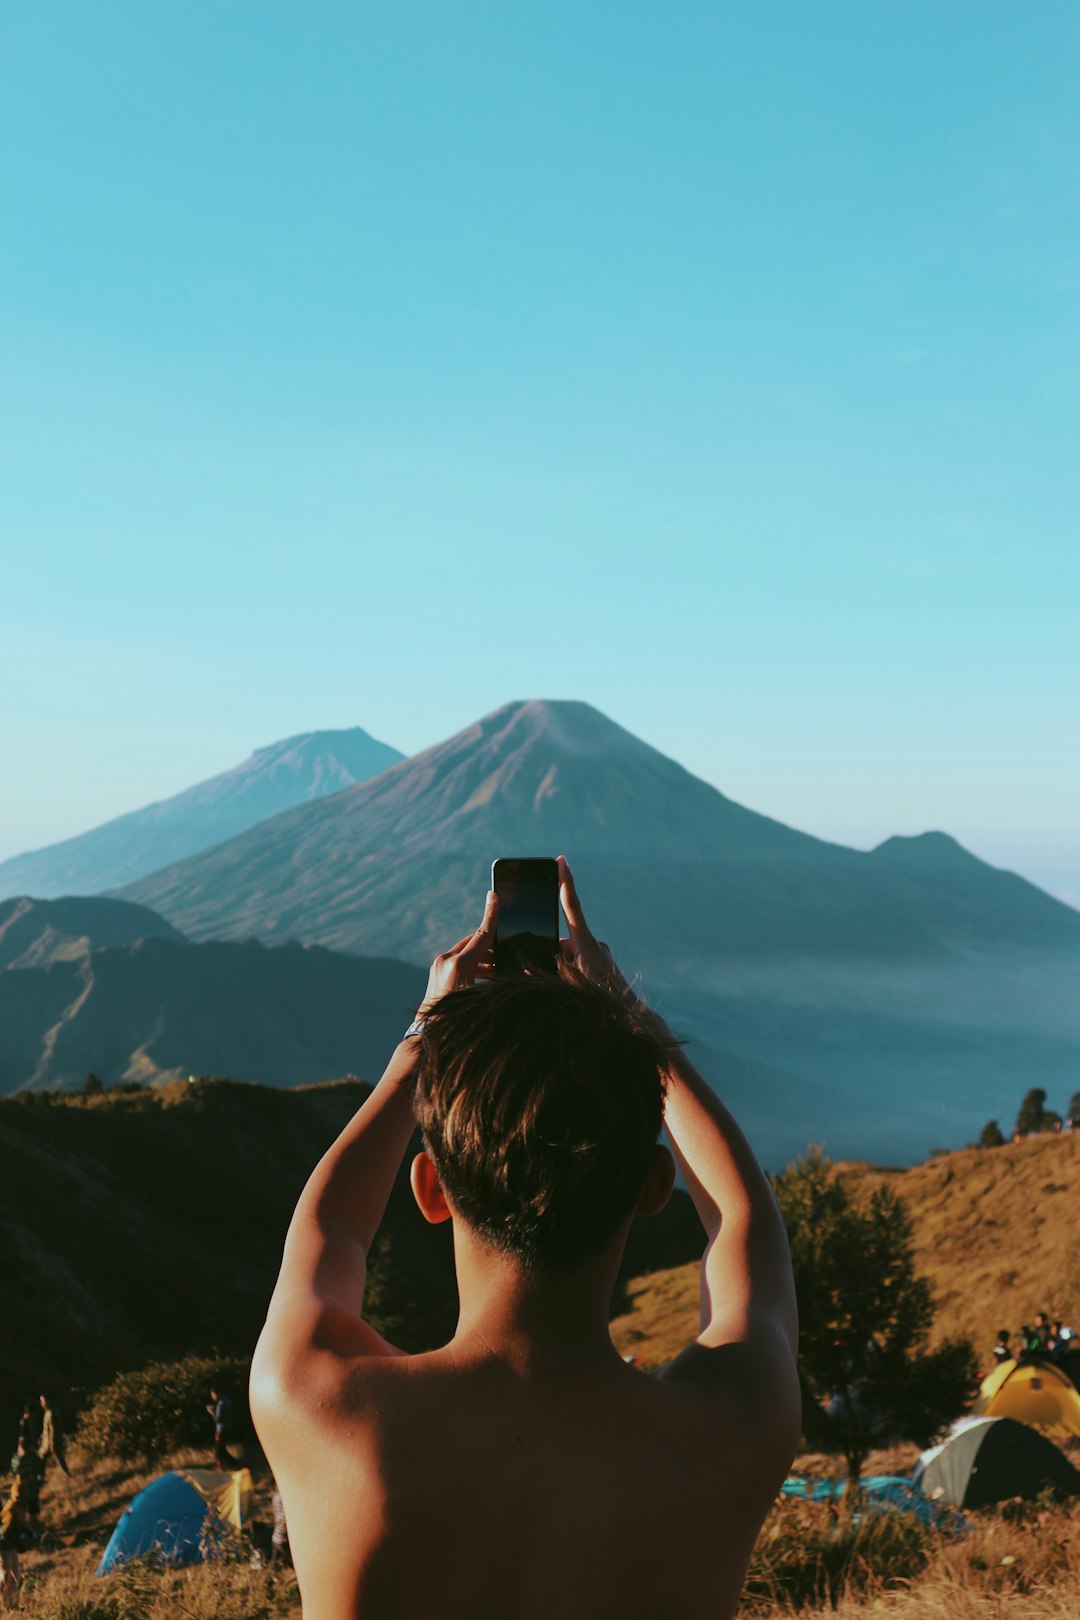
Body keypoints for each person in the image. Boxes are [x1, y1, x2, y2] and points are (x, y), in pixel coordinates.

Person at [251, 857, 800, 1620]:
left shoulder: (315, 1401)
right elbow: (742, 1215)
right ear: (651, 1186)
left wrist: (422, 1038)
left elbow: (330, 1228)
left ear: (431, 1191)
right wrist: (632, 1025)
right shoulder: (731, 1429)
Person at [0, 1482, 30, 1612]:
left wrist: (28, 1533)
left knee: (14, 1576)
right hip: (4, 1547)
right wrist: (17, 1543)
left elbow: (20, 1525)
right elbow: (5, 1533)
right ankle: (5, 1605)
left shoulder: (19, 1506)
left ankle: (12, 1604)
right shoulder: (12, 1509)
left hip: (10, 1547)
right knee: (6, 1577)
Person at [37, 1396, 69, 1478]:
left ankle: (40, 1477)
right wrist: (41, 1437)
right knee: (57, 1456)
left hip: (50, 1441)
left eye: (43, 1401)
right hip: (47, 1440)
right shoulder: (48, 1412)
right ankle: (66, 1473)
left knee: (44, 1457)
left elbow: (53, 1429)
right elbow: (47, 1428)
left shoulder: (51, 1413)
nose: (42, 1403)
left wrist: (52, 1442)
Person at [206, 1389, 236, 1470]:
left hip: (221, 1430)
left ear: (217, 1393)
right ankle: (233, 1464)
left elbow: (218, 1419)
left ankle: (221, 1467)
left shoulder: (220, 1404)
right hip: (228, 1428)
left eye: (213, 1395)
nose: (213, 1397)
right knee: (222, 1449)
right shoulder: (228, 1401)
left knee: (218, 1451)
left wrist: (211, 1412)